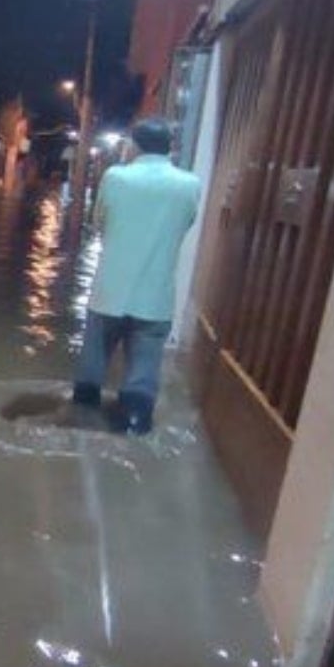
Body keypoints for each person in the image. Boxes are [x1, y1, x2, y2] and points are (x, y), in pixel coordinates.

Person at [72, 117, 202, 435]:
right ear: (170, 147)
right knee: (143, 376)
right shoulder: (190, 184)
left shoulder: (115, 177)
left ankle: (80, 428)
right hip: (155, 296)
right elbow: (185, 224)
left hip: (110, 293)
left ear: (134, 145)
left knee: (93, 366)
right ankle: (133, 427)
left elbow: (99, 222)